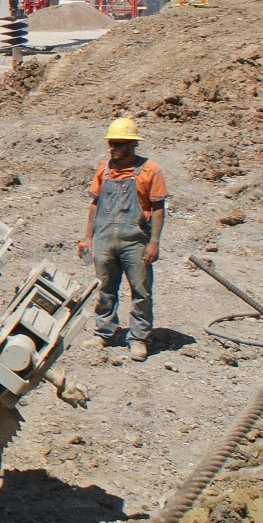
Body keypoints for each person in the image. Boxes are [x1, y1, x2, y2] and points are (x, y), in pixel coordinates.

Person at [78, 118, 168, 362]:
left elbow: (158, 208)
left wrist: (154, 242)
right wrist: (88, 238)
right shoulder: (104, 170)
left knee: (141, 291)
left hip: (135, 241)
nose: (112, 148)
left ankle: (139, 338)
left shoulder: (150, 171)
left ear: (132, 145)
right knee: (105, 288)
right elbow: (95, 204)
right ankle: (104, 332)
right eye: (110, 143)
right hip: (105, 239)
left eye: (118, 144)